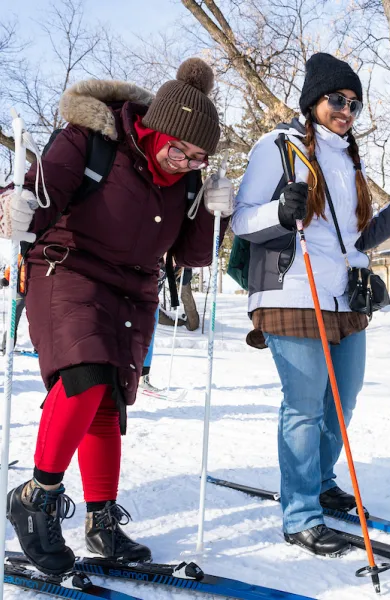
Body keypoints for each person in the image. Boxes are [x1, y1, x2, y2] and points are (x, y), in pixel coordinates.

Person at [0, 58, 234, 575]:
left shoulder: (189, 182)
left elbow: (192, 255)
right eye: (179, 149)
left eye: (198, 158)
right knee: (85, 376)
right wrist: (12, 206)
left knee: (108, 400)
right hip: (67, 268)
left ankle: (101, 521)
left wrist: (219, 211)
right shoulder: (91, 141)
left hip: (134, 288)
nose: (184, 163)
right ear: (154, 128)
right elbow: (38, 195)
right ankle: (35, 498)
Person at [232, 53, 390, 557]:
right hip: (291, 289)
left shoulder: (348, 159)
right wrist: (279, 211)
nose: (346, 110)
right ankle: (300, 513)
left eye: (354, 104)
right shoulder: (277, 148)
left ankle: (320, 481)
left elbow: (359, 235)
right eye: (337, 100)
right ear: (313, 101)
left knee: (342, 401)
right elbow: (240, 220)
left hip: (344, 293)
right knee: (303, 406)